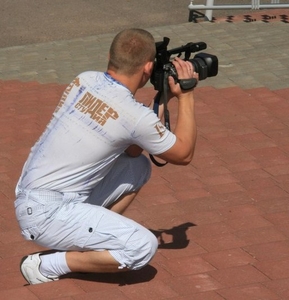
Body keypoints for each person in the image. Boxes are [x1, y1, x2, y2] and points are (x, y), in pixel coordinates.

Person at [14, 28, 198, 285]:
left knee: (137, 166)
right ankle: (47, 264)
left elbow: (132, 149)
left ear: (109, 55)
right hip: (47, 215)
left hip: (34, 198)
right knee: (141, 247)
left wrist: (161, 101)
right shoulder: (134, 116)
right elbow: (184, 153)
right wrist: (186, 95)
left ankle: (91, 242)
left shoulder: (84, 79)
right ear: (148, 68)